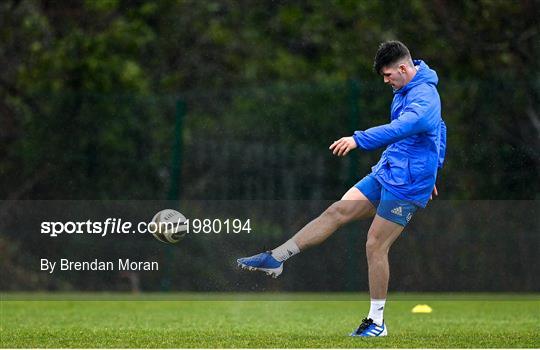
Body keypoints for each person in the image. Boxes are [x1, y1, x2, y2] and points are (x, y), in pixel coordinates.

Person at [237, 40, 446, 337]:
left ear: (403, 67)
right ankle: (277, 258)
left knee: (375, 244)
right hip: (390, 169)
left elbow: (408, 126)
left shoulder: (425, 95)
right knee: (337, 210)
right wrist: (434, 165)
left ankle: (376, 323)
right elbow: (440, 128)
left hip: (409, 183)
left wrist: (359, 139)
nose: (385, 81)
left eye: (388, 75)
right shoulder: (404, 89)